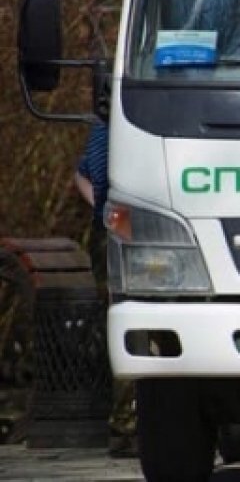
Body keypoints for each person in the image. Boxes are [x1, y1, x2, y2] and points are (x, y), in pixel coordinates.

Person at [74, 119, 137, 458]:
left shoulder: (111, 115)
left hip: (118, 225)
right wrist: (114, 220)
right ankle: (127, 425)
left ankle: (125, 424)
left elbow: (85, 173)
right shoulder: (119, 118)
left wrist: (104, 215)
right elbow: (95, 173)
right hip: (128, 228)